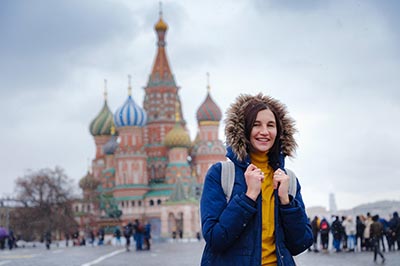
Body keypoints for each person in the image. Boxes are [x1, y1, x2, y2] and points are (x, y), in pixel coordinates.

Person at [200, 93, 313, 265]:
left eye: (271, 125)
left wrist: (286, 202)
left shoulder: (287, 179)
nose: (264, 132)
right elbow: (216, 239)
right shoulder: (221, 174)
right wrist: (248, 197)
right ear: (243, 130)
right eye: (256, 125)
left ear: (279, 131)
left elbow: (300, 243)